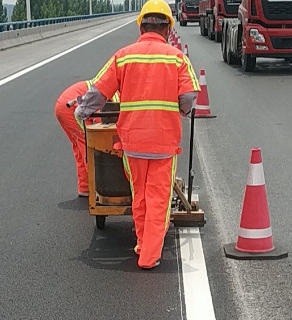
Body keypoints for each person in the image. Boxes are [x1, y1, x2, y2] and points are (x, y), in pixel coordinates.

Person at [74, 0, 200, 269]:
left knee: (140, 196)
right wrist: (183, 108)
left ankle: (143, 243)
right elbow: (188, 96)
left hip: (132, 143)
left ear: (141, 27)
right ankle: (149, 255)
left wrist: (82, 111)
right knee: (158, 198)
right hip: (164, 144)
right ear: (168, 29)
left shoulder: (124, 55)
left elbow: (98, 91)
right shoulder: (177, 57)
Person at [54, 80, 118, 197]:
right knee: (89, 145)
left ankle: (85, 187)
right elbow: (104, 124)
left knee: (79, 145)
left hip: (64, 105)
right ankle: (98, 188)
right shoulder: (116, 95)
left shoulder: (110, 85)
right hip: (71, 107)